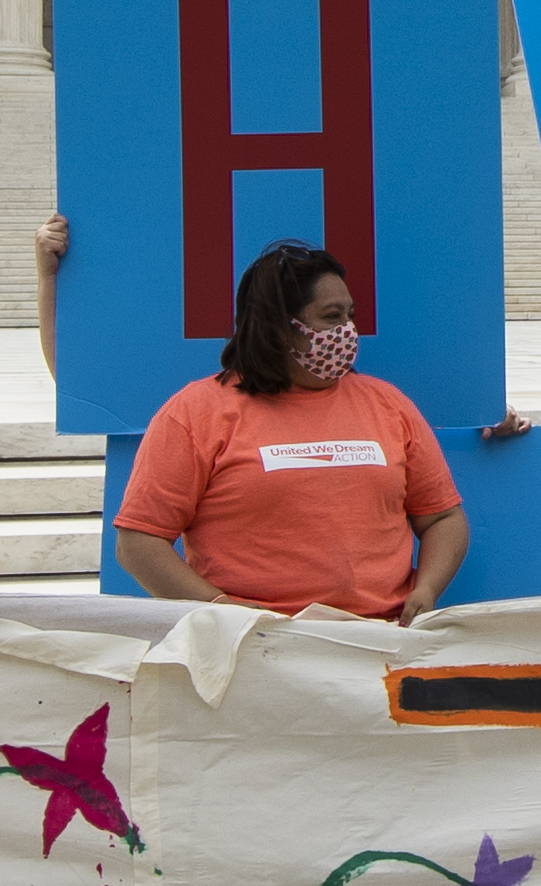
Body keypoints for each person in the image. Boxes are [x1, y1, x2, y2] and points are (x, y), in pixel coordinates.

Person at [111, 236, 476, 616]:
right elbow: (139, 541)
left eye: (350, 315)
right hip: (254, 646)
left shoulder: (389, 404)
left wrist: (427, 589)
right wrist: (220, 609)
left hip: (382, 640)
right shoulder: (193, 413)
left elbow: (443, 518)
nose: (348, 330)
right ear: (279, 327)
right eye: (331, 317)